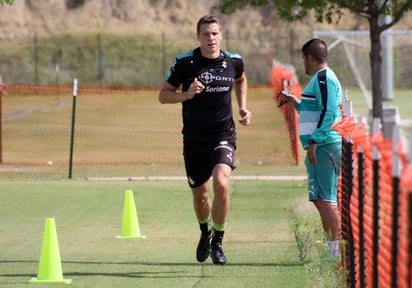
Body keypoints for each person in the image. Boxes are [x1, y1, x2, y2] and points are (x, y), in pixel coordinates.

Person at [158, 15, 251, 265]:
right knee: (201, 196)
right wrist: (186, 95)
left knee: (221, 183)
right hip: (194, 139)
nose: (211, 38)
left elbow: (241, 80)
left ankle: (218, 242)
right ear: (198, 37)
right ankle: (205, 232)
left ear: (221, 35)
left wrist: (243, 107)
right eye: (206, 34)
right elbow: (163, 95)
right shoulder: (185, 63)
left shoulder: (234, 61)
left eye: (214, 33)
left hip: (223, 135)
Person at [282, 38, 342, 258]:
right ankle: (332, 248)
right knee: (319, 198)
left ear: (309, 57)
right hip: (320, 144)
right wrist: (297, 104)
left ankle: (333, 253)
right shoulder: (320, 79)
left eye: (303, 59)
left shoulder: (324, 77)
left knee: (325, 199)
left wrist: (315, 141)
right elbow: (318, 109)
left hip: (324, 145)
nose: (303, 64)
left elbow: (329, 111)